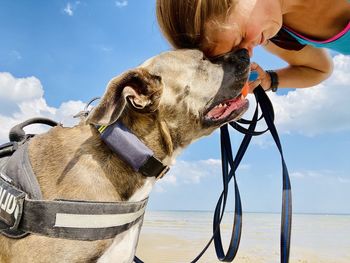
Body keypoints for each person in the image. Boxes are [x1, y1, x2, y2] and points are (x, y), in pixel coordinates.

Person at [156, 0, 350, 93]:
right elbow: (318, 69)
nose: (249, 53)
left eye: (240, 37)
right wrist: (269, 80)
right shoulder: (278, 36)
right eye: (238, 52)